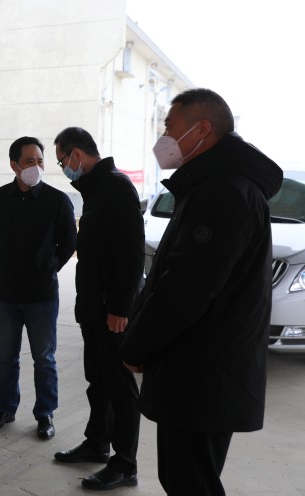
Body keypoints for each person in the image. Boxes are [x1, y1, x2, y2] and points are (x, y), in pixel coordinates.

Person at [120, 88, 282, 496]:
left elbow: (185, 289)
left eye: (170, 126)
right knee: (189, 479)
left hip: (203, 373)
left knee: (189, 482)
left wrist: (136, 345)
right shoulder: (216, 187)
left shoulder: (222, 193)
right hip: (203, 371)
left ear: (202, 129)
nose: (164, 137)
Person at [52, 127, 144, 490]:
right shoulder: (96, 189)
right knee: (98, 380)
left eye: (62, 160)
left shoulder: (116, 187)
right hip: (93, 307)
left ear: (77, 154)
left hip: (111, 310)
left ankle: (125, 464)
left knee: (120, 388)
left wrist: (120, 307)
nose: (63, 168)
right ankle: (97, 442)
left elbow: (131, 253)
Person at [0, 136, 76, 439]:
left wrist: (47, 268)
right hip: (5, 294)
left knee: (44, 358)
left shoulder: (57, 200)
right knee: (6, 356)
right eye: (29, 161)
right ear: (14, 165)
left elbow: (69, 243)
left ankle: (45, 413)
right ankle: (5, 409)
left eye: (40, 161)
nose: (36, 166)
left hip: (41, 296)